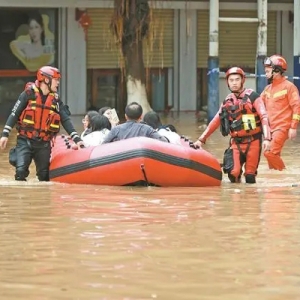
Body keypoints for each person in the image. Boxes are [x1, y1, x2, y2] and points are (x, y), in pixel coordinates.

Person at [0, 66, 83, 182]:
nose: (58, 83)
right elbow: (14, 113)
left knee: (44, 177)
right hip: (25, 140)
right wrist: (5, 135)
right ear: (47, 80)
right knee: (20, 172)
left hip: (44, 143)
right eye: (56, 79)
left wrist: (77, 139)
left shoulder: (56, 100)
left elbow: (65, 120)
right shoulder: (28, 94)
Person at [194, 67, 271, 184]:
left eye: (237, 79)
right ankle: (237, 198)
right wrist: (201, 140)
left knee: (250, 176)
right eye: (231, 80)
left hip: (254, 142)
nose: (234, 83)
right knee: (233, 174)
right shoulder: (227, 101)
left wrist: (267, 138)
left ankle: (249, 200)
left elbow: (264, 117)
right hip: (236, 143)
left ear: (242, 80)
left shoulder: (253, 97)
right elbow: (215, 121)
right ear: (228, 83)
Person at [261, 54, 300, 171]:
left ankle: (284, 173)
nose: (265, 73)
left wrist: (293, 127)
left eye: (268, 71)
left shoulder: (289, 87)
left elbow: (297, 107)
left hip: (282, 128)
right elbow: (258, 105)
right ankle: (277, 182)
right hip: (270, 129)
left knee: (269, 152)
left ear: (277, 71)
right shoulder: (267, 89)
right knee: (272, 156)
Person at [102, 102, 168, 143]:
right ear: (141, 116)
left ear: (125, 116)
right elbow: (164, 141)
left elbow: (104, 144)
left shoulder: (116, 129)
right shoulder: (147, 129)